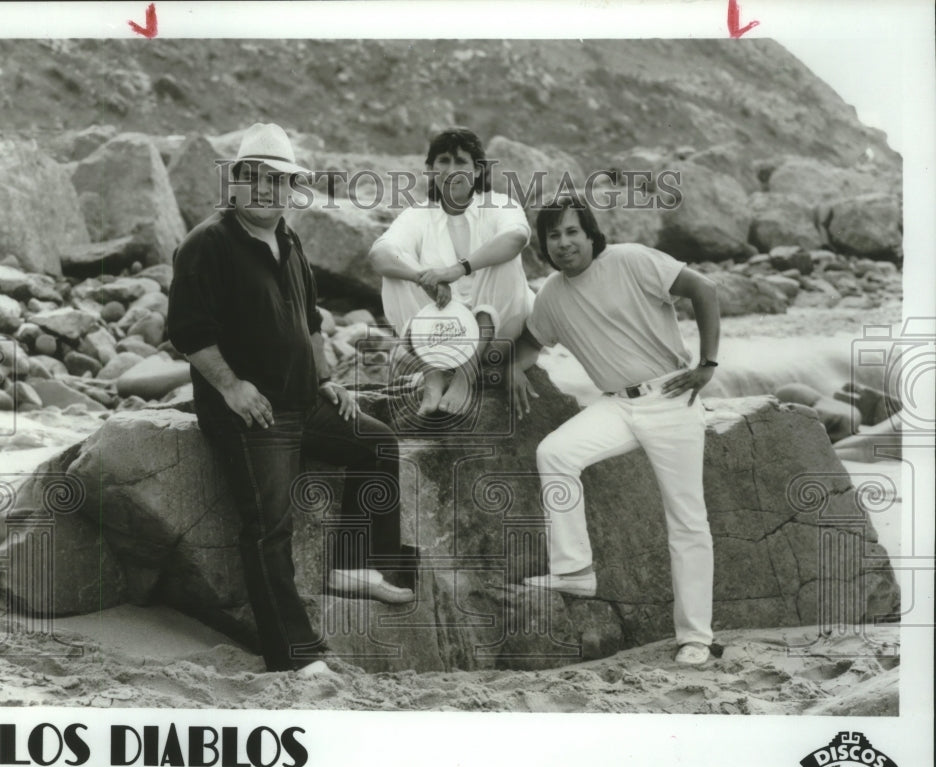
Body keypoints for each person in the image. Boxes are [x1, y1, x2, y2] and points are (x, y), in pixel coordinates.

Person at [168, 123, 416, 676]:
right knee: (268, 527)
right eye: (256, 179)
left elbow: (307, 322)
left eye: (279, 181)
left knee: (378, 445)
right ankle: (295, 656)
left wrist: (324, 378)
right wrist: (230, 386)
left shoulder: (290, 239)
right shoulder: (206, 244)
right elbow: (187, 332)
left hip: (304, 400)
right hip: (251, 412)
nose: (268, 190)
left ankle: (353, 565)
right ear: (236, 183)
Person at [512, 194, 721, 666]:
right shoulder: (551, 296)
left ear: (589, 234)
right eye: (553, 236)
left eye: (572, 232)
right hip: (616, 406)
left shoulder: (631, 259)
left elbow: (704, 289)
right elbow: (526, 347)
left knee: (687, 521)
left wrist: (708, 363)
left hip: (671, 398)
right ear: (543, 246)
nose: (564, 244)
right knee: (555, 453)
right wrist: (511, 370)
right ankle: (575, 570)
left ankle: (695, 637)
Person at [368, 128, 533, 415]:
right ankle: (433, 376)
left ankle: (466, 378)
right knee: (396, 269)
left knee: (504, 258)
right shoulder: (419, 215)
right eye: (443, 161)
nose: (452, 170)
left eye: (461, 162)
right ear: (431, 170)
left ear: (478, 171)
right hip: (444, 335)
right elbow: (379, 254)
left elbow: (516, 238)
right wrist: (424, 279)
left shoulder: (499, 205)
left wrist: (457, 270)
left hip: (498, 333)